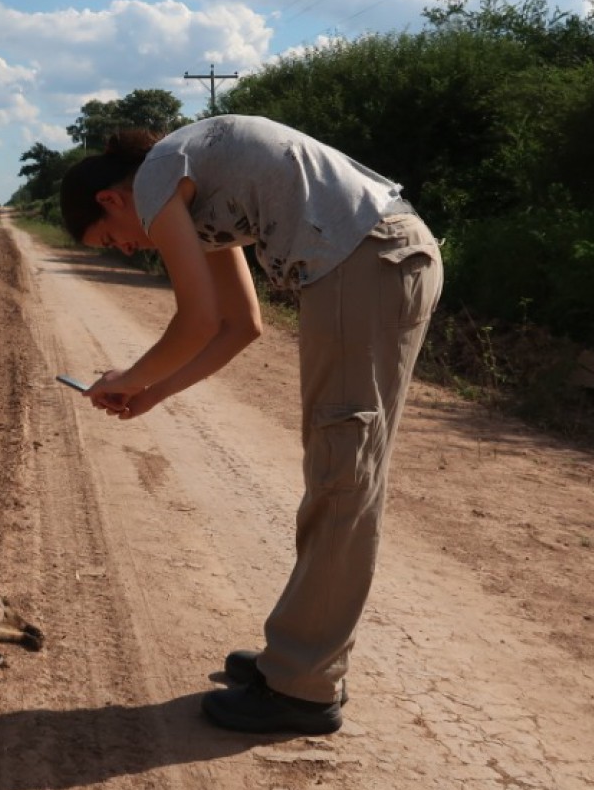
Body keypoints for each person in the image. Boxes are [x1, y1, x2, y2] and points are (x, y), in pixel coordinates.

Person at [58, 114, 442, 735]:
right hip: (370, 263)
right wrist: (151, 393)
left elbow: (196, 319)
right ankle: (291, 660)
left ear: (110, 199)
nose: (129, 249)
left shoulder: (159, 175)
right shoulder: (194, 184)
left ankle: (303, 689)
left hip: (367, 263)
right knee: (338, 474)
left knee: (342, 479)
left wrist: (130, 374)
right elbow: (240, 325)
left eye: (112, 239)